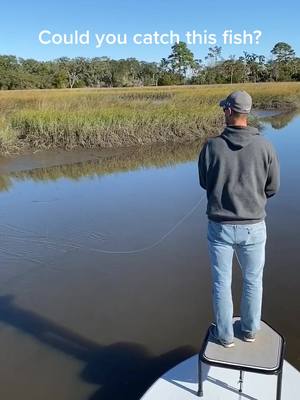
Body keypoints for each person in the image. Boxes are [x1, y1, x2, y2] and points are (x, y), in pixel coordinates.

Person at [198, 90, 280, 348]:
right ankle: (249, 331)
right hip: (254, 228)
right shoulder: (265, 145)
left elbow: (204, 182)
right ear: (247, 113)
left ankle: (224, 336)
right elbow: (273, 187)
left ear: (230, 112)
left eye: (225, 109)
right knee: (253, 281)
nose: (224, 112)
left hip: (219, 228)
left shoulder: (211, 146)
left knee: (221, 282)